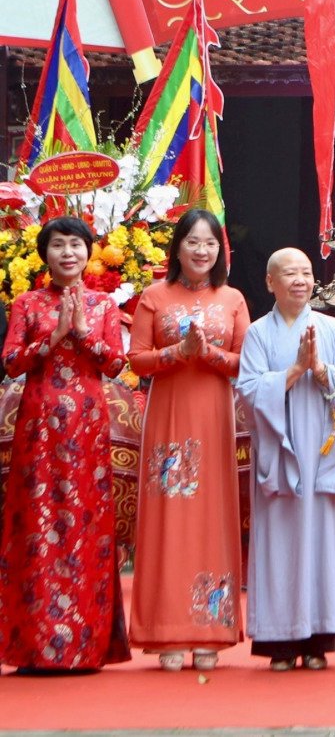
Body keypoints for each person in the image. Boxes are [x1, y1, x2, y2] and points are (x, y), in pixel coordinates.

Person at [0, 216, 130, 673]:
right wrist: (50, 339)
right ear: (45, 253)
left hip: (87, 426)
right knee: (36, 523)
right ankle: (33, 645)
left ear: (88, 251)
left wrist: (80, 333)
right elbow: (11, 363)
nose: (68, 253)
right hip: (38, 425)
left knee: (84, 523)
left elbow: (116, 364)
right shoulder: (27, 303)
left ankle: (86, 645)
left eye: (76, 245)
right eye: (59, 245)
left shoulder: (103, 305)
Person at [128, 208, 250, 672]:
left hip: (214, 415)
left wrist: (210, 353)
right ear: (177, 247)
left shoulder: (233, 299)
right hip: (170, 418)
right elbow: (136, 360)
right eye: (193, 242)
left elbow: (244, 362)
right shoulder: (154, 296)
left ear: (221, 250)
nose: (202, 250)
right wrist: (177, 353)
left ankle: (210, 631)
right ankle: (165, 632)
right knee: (169, 519)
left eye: (211, 243)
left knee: (211, 517)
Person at [237, 248, 335, 671]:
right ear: (270, 282)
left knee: (325, 541)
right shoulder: (258, 333)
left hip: (325, 453)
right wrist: (294, 372)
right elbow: (248, 392)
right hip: (282, 453)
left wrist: (323, 371)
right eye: (289, 273)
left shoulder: (331, 327)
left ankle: (319, 640)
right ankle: (279, 644)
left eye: (307, 273)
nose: (300, 280)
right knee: (281, 542)